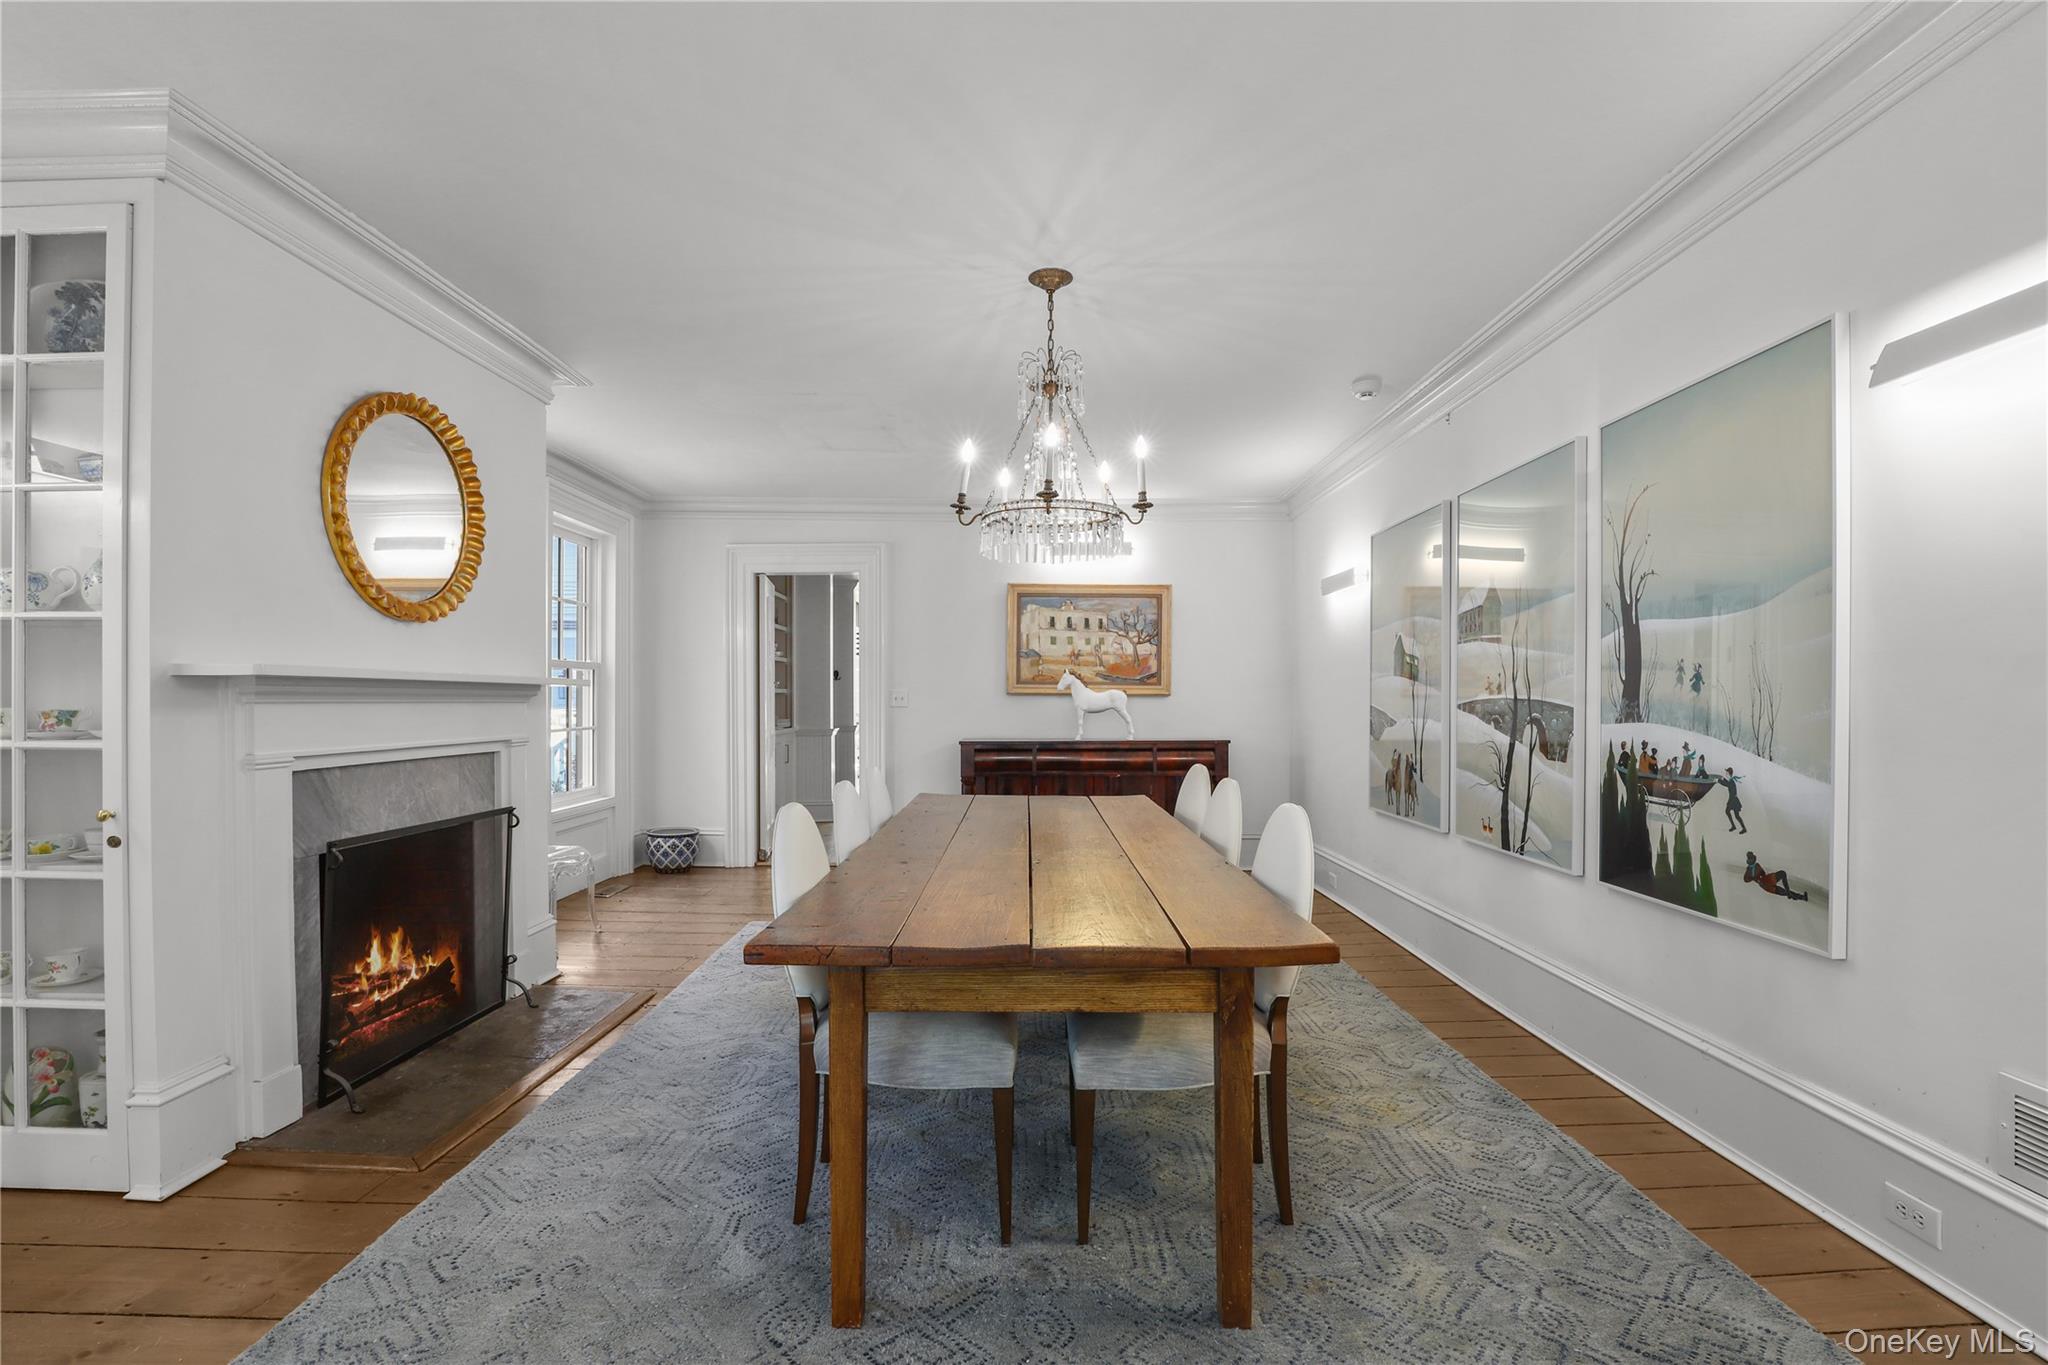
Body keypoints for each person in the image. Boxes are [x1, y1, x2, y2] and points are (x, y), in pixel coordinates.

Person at [1744, 851, 1809, 901]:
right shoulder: (1750, 869)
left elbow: (1762, 873)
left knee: (1782, 876)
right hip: (1764, 883)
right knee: (1783, 890)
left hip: (1765, 880)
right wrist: (1755, 878)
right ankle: (1800, 897)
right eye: (1752, 859)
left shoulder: (1756, 865)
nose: (1753, 860)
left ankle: (1795, 896)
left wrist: (1756, 878)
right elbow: (1746, 879)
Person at [1719, 767, 1747, 833]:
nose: (1726, 774)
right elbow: (1727, 782)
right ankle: (1734, 826)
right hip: (1732, 799)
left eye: (1727, 773)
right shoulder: (1730, 780)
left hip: (1734, 800)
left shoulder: (1731, 782)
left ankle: (1743, 828)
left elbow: (1726, 784)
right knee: (1728, 812)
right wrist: (1723, 779)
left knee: (1736, 816)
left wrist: (1719, 781)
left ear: (1730, 774)